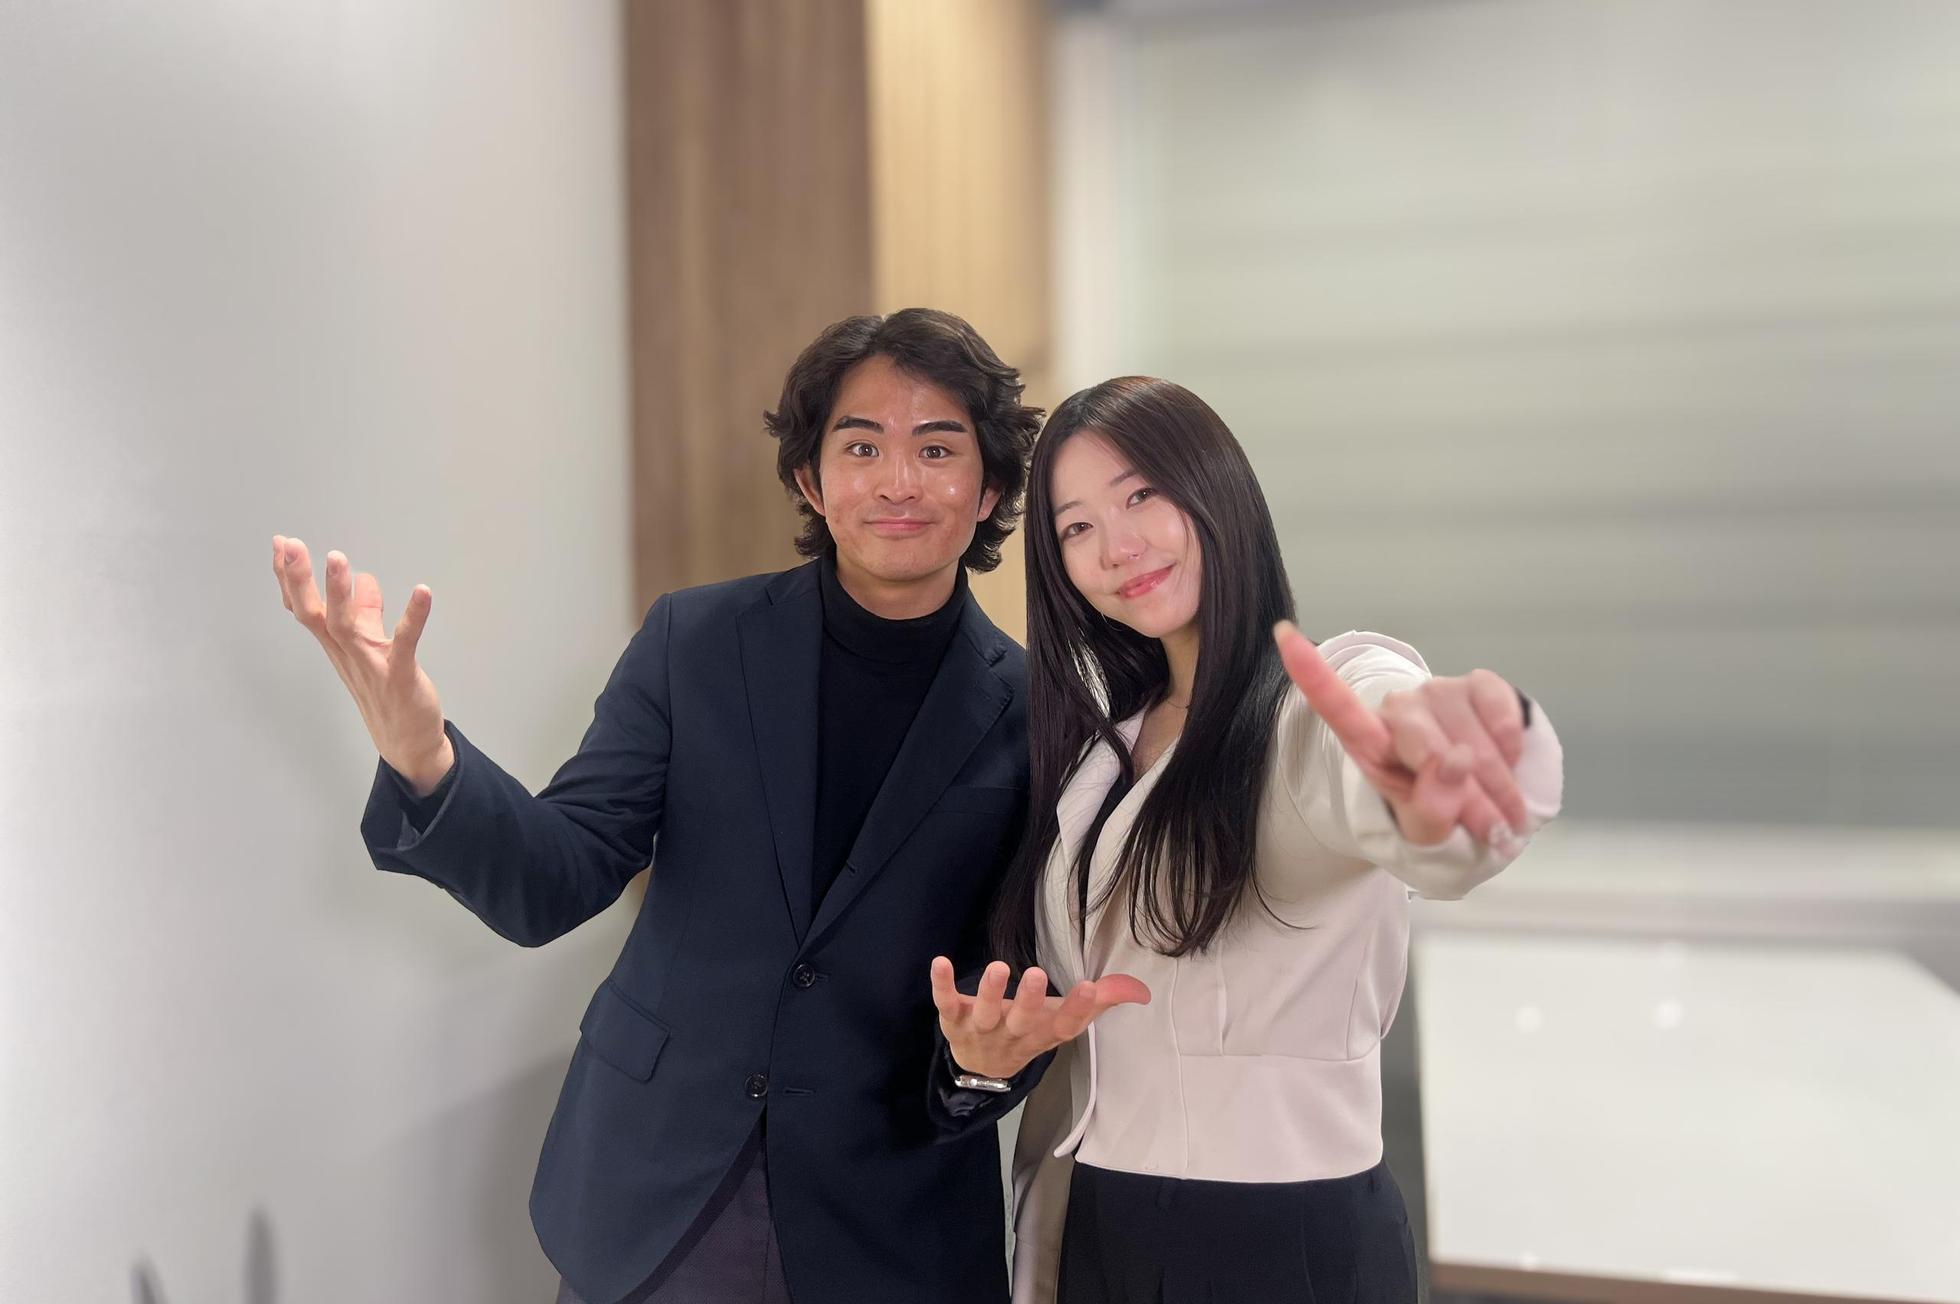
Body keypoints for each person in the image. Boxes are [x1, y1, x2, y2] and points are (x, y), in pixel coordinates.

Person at [270, 309, 1119, 1304]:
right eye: (861, 446)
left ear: (990, 490)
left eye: (937, 449)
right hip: (659, 1193)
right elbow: (555, 879)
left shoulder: (1042, 715)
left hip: (887, 1217)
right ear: (810, 480)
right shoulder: (697, 640)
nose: (897, 480)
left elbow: (1009, 976)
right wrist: (424, 756)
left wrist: (981, 1065)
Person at [929, 376, 1565, 1303]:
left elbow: (1387, 774)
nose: (1117, 547)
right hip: (1092, 1221)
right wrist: (986, 1062)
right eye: (1076, 527)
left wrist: (1435, 795)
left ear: (1217, 489)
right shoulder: (1104, 745)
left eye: (1142, 495)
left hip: (1272, 1238)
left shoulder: (1313, 707)